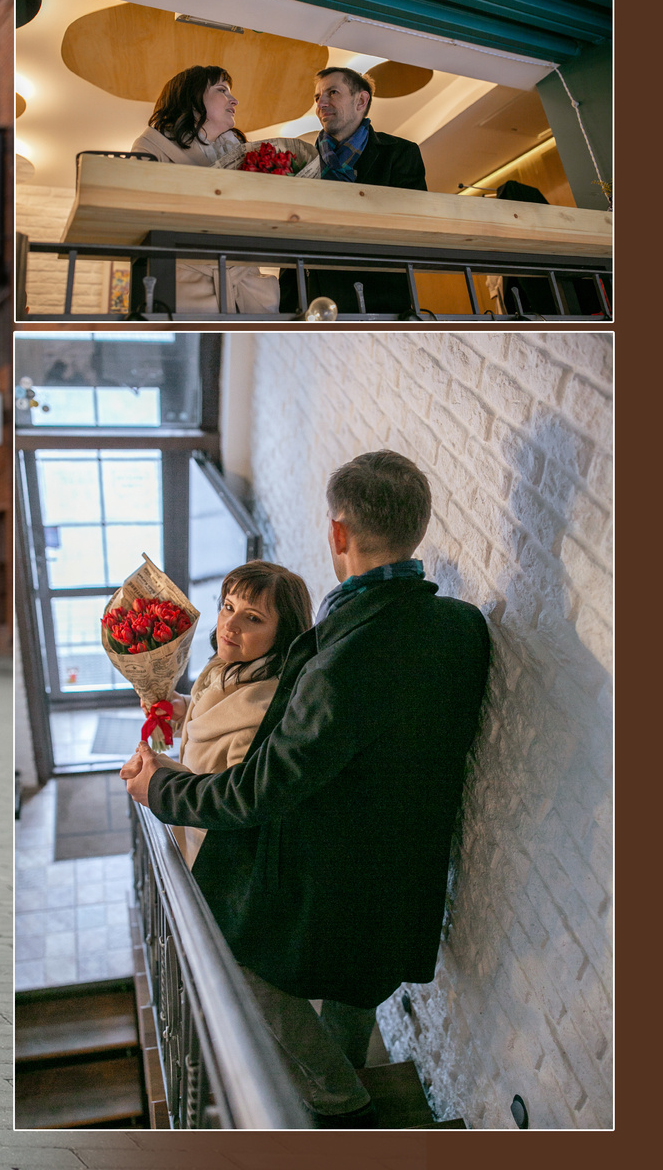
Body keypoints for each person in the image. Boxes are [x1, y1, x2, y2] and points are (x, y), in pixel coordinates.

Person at [124, 452, 489, 1126]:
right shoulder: (462, 627)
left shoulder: (346, 658)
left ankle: (340, 1105)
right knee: (359, 986)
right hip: (404, 872)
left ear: (337, 534)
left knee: (237, 952)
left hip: (334, 875)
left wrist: (161, 792)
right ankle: (342, 1083)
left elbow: (259, 790)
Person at [135, 560, 313, 866]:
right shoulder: (230, 667)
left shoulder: (262, 718)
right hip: (188, 832)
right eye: (228, 607)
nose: (229, 625)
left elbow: (229, 803)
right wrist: (184, 709)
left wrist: (159, 780)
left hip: (209, 855)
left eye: (253, 618)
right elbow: (216, 712)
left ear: (282, 634)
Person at [129, 65, 281, 315]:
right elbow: (138, 211)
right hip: (186, 283)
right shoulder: (151, 146)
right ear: (192, 97)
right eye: (222, 90)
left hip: (247, 283)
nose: (235, 100)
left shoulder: (243, 154)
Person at [297, 66, 428, 316]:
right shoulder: (302, 160)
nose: (320, 103)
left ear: (361, 100)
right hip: (313, 300)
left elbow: (413, 225)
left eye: (332, 92)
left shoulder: (400, 153)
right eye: (317, 97)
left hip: (382, 300)